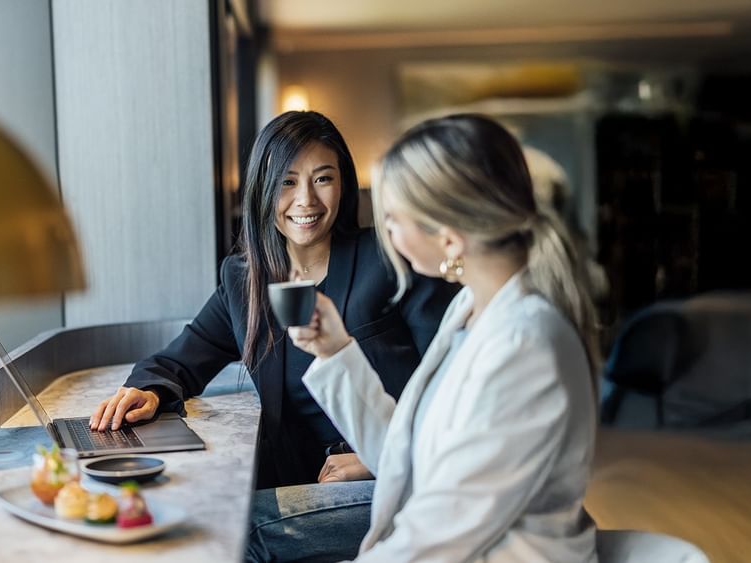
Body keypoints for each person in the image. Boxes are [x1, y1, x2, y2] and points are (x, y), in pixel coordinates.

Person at [248, 114, 600, 562]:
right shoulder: (470, 310)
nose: (387, 235)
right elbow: (408, 459)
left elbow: (445, 528)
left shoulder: (524, 346)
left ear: (450, 240)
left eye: (394, 219)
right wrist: (336, 351)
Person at [89, 110, 458, 489]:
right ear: (262, 190)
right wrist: (147, 390)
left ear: (344, 184)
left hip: (391, 476)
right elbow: (178, 361)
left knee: (234, 537)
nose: (306, 200)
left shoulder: (390, 257)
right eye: (287, 181)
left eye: (323, 179)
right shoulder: (244, 279)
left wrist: (378, 454)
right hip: (292, 479)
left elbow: (453, 383)